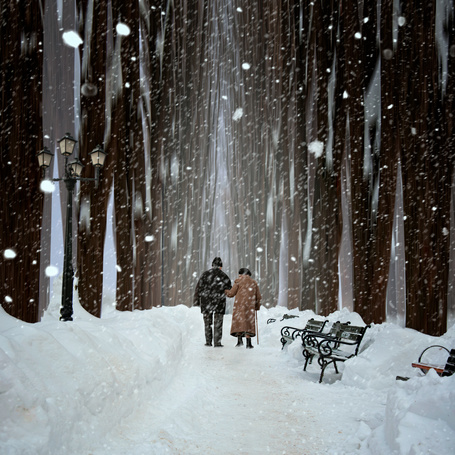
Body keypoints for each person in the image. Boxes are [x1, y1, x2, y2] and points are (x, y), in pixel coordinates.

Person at [193, 257, 231, 347]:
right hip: (219, 302)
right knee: (218, 323)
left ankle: (208, 342)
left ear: (212, 265)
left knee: (207, 323)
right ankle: (217, 343)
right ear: (220, 266)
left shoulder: (205, 274)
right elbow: (229, 288)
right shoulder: (224, 276)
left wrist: (197, 301)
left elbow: (198, 288)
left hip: (206, 303)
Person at [225, 268, 261, 349]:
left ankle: (239, 341)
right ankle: (249, 343)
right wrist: (257, 306)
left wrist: (225, 290)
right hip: (250, 306)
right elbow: (258, 297)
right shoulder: (254, 283)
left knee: (239, 322)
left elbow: (231, 294)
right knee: (248, 322)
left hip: (239, 306)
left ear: (241, 275)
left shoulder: (238, 282)